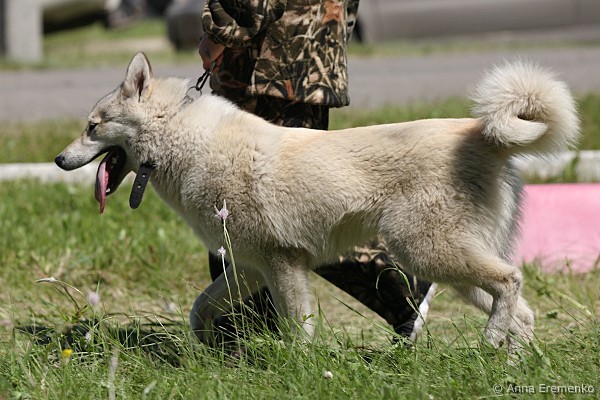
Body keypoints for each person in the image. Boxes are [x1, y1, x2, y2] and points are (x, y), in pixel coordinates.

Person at [198, 0, 436, 344]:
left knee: (273, 216)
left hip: (266, 64)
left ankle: (402, 287)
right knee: (267, 214)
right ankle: (249, 335)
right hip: (303, 52)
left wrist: (220, 32)